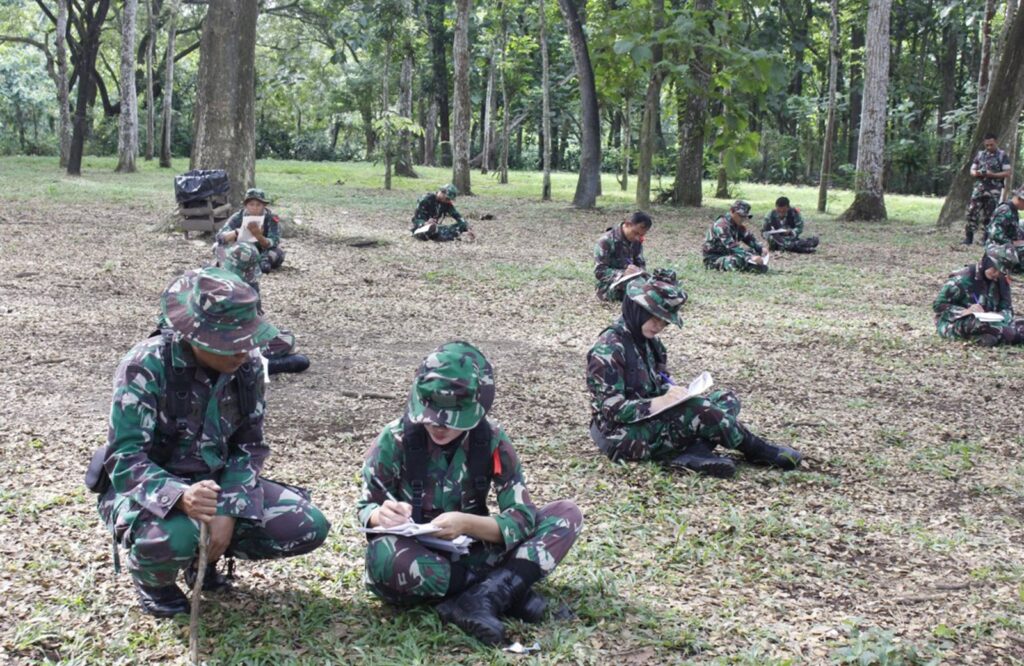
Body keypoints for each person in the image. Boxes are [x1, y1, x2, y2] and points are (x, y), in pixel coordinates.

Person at [91, 268, 329, 617]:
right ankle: (154, 581)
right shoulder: (145, 366)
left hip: (215, 484)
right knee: (171, 538)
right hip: (152, 487)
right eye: (231, 343)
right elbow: (125, 458)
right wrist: (180, 497)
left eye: (248, 339)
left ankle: (204, 558)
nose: (244, 351)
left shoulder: (246, 368)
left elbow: (249, 446)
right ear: (195, 338)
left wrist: (229, 507)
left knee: (305, 524)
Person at [356, 341, 582, 646]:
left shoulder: (490, 440)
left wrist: (466, 524)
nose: (438, 426)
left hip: (473, 549)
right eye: (433, 415)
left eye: (451, 418)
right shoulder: (394, 439)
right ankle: (504, 592)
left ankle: (482, 596)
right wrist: (379, 515)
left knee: (565, 515)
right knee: (384, 558)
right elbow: (366, 506)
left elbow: (522, 516)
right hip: (418, 555)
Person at [586, 276, 801, 478]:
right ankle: (757, 450)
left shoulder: (648, 342)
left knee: (726, 398)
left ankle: (696, 452)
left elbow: (658, 380)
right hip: (622, 436)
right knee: (702, 410)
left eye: (664, 322)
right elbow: (612, 410)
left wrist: (670, 391)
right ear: (638, 310)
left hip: (648, 420)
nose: (659, 326)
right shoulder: (609, 349)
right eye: (655, 319)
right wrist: (659, 402)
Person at [213, 242, 310, 374]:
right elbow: (248, 327)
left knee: (283, 337)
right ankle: (255, 367)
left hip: (208, 341)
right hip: (219, 343)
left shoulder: (206, 276)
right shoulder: (230, 290)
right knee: (286, 341)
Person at [933, 243, 1023, 346]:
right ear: (987, 263)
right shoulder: (962, 278)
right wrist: (965, 311)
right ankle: (1006, 336)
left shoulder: (1002, 281)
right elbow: (938, 306)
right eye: (995, 269)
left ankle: (997, 336)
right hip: (959, 322)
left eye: (1001, 272)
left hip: (993, 322)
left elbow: (1008, 309)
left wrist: (1000, 315)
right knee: (982, 325)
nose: (997, 274)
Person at [217, 188, 285, 273]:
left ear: (264, 206)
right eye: (251, 204)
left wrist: (259, 236)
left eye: (258, 205)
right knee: (218, 246)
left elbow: (274, 241)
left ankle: (255, 263)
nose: (255, 208)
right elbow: (220, 237)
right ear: (246, 205)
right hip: (241, 248)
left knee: (277, 254)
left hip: (262, 251)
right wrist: (238, 232)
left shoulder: (271, 218)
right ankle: (231, 261)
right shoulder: (238, 217)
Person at [964, 133, 1012, 245]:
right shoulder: (980, 155)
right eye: (987, 145)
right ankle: (969, 237)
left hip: (994, 189)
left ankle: (986, 238)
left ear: (996, 142)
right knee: (972, 211)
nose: (989, 147)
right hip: (980, 187)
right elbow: (972, 169)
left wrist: (992, 174)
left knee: (990, 214)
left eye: (991, 145)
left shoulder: (1002, 156)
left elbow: (1008, 172)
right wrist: (977, 173)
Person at [593, 211, 651, 301]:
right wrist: (623, 274)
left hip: (634, 281)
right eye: (635, 233)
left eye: (641, 235)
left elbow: (641, 264)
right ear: (627, 224)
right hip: (609, 286)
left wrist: (639, 271)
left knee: (657, 283)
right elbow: (599, 272)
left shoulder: (637, 241)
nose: (637, 238)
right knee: (642, 291)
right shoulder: (606, 241)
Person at [702, 200, 768, 273]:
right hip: (714, 258)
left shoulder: (737, 225)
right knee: (738, 260)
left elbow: (749, 238)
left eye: (745, 216)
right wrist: (751, 257)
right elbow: (732, 246)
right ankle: (750, 265)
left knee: (753, 252)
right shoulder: (721, 225)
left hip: (728, 254)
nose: (743, 219)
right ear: (732, 211)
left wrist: (761, 248)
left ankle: (752, 265)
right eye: (741, 216)